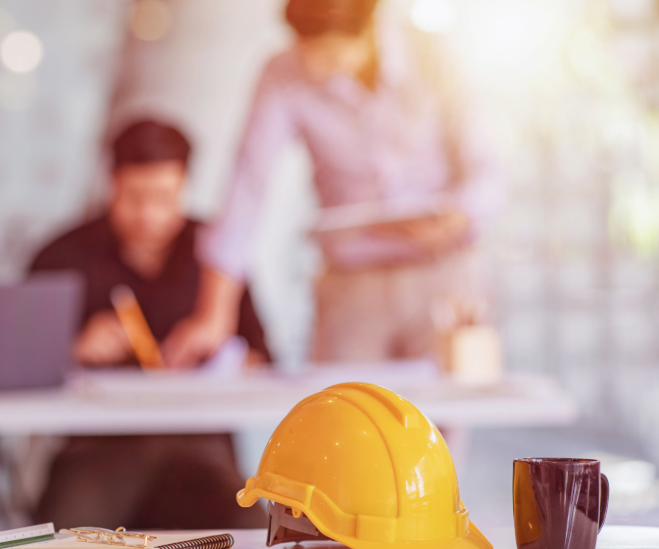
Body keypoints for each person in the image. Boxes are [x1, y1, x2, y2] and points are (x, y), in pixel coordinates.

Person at [164, 0, 500, 366]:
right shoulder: (283, 72)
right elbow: (247, 187)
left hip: (444, 280)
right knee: (339, 415)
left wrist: (457, 216)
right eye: (304, 46)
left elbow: (485, 165)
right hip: (352, 286)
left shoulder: (434, 55)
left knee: (443, 416)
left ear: (369, 26)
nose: (312, 64)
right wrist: (214, 313)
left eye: (327, 50)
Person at [28, 119, 267, 529]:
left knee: (249, 534)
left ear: (185, 186)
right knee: (58, 543)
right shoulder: (61, 257)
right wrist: (71, 350)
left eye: (164, 197)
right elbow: (14, 362)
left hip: (200, 445)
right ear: (111, 183)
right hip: (98, 447)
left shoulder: (216, 260)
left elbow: (263, 360)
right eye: (134, 197)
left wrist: (220, 354)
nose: (149, 214)